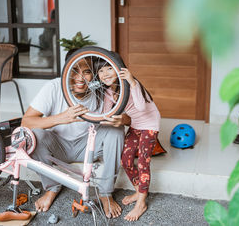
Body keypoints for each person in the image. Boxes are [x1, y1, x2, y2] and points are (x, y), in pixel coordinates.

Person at [21, 49, 130, 218]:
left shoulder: (101, 88)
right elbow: (26, 122)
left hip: (89, 146)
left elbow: (132, 116)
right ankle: (52, 188)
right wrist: (60, 118)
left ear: (93, 73)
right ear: (66, 70)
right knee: (34, 135)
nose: (80, 78)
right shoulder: (54, 87)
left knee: (116, 131)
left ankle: (106, 193)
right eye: (74, 71)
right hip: (58, 145)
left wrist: (122, 120)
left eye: (86, 71)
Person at [95, 55, 161, 221]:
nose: (105, 73)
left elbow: (140, 107)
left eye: (109, 68)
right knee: (125, 160)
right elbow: (106, 112)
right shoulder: (109, 91)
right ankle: (139, 190)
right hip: (135, 125)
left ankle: (142, 203)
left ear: (120, 68)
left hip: (149, 124)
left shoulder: (132, 84)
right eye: (100, 71)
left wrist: (132, 82)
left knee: (144, 162)